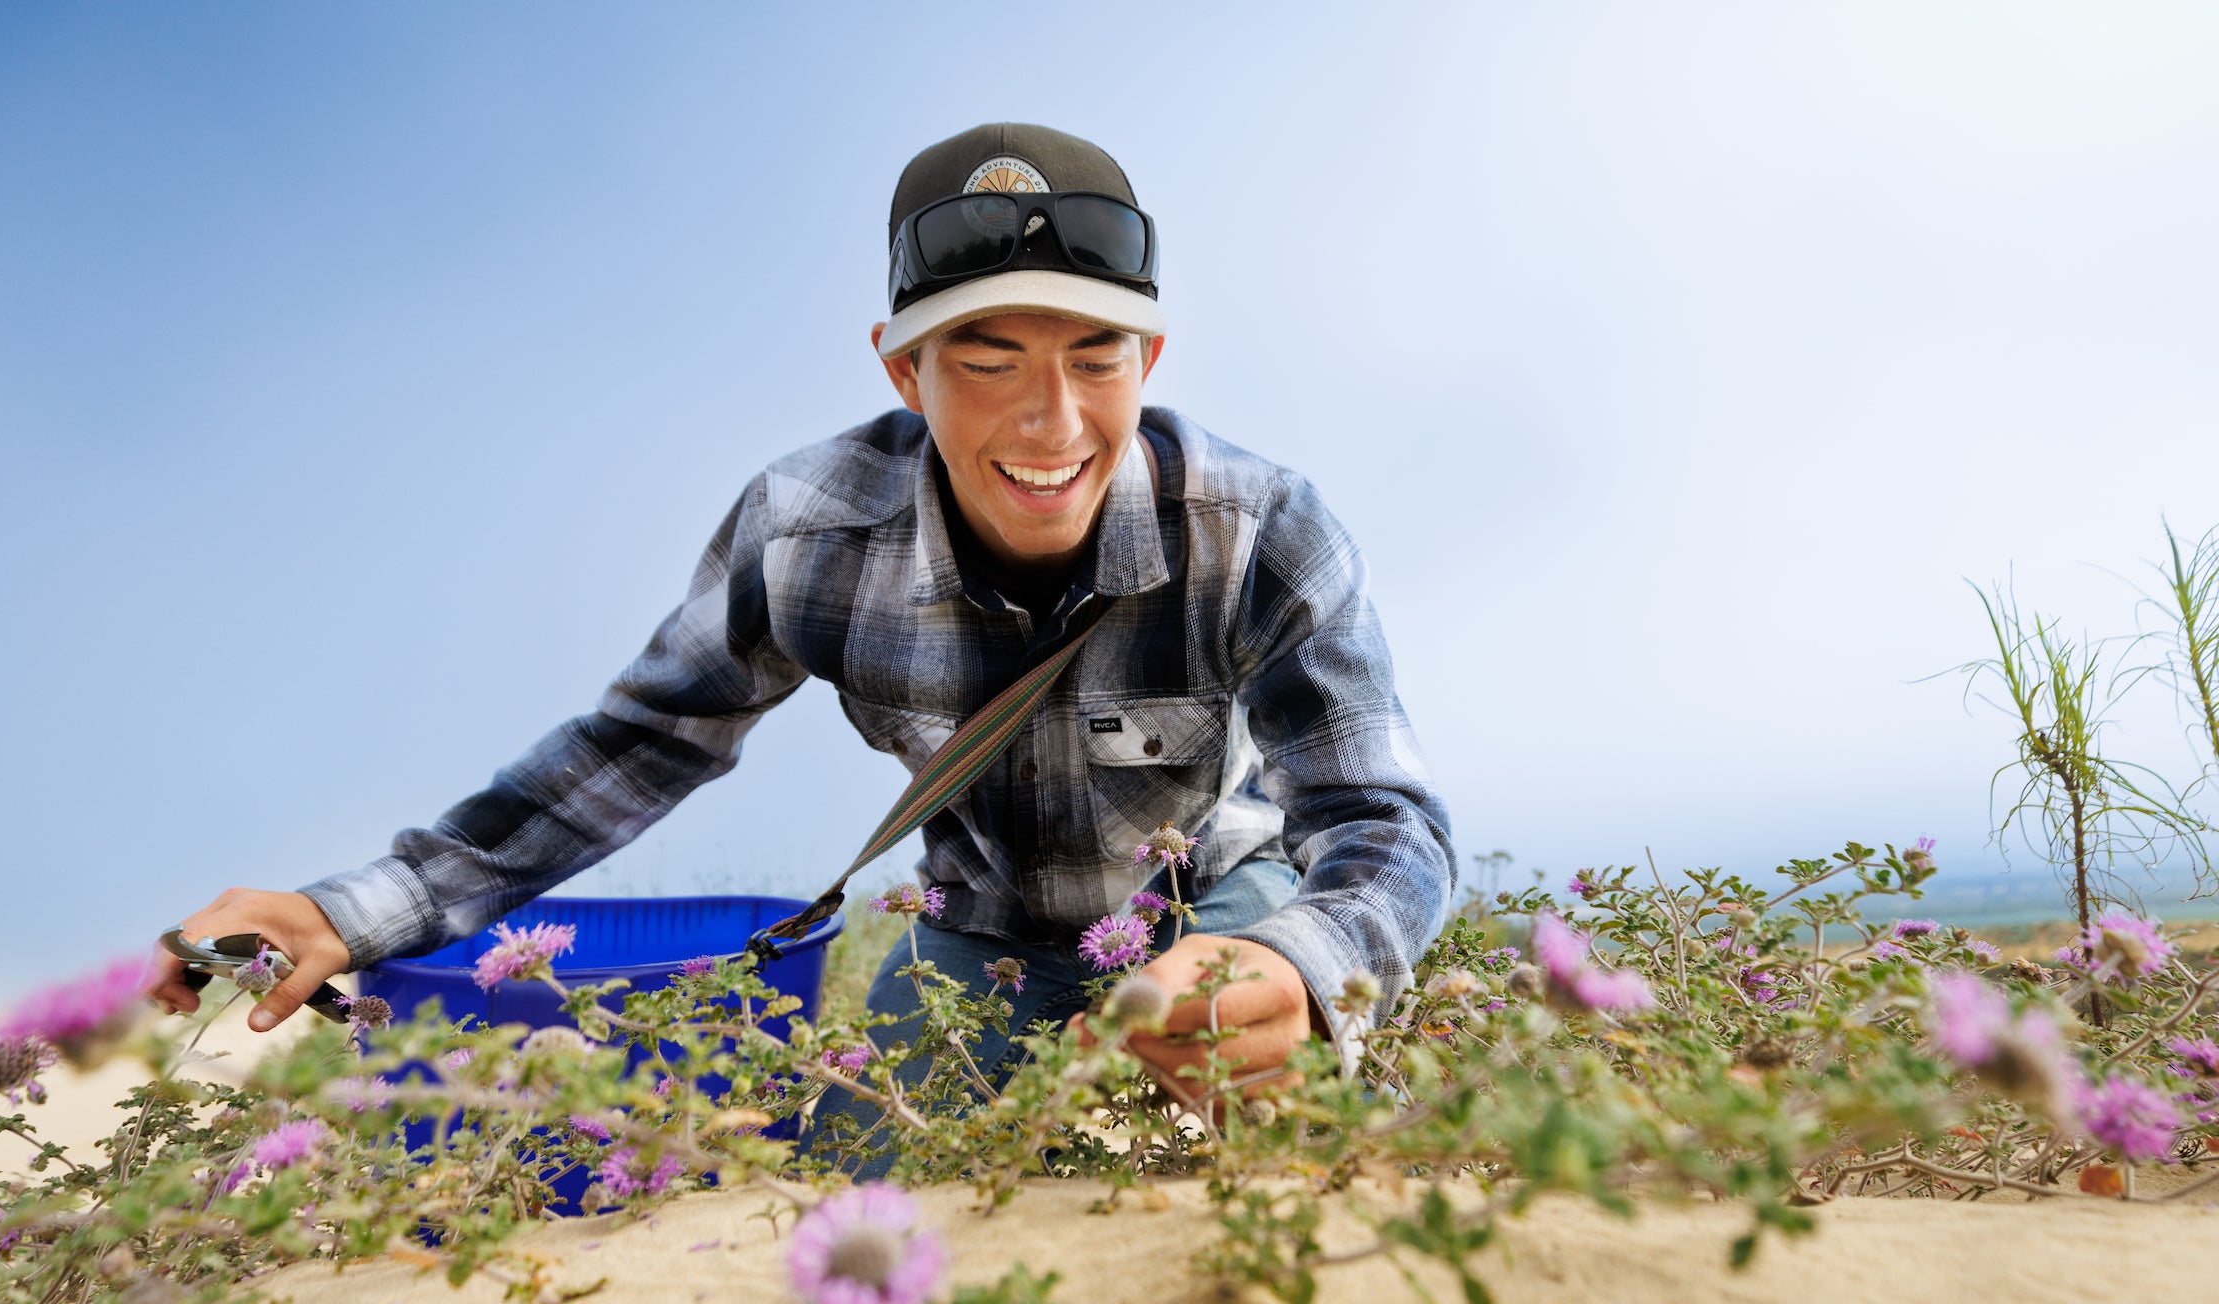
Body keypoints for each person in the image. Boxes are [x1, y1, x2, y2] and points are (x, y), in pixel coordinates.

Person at [147, 122, 1454, 1113]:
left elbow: (1382, 817)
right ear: (903, 367)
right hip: (974, 945)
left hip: (1216, 910)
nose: (1050, 419)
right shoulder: (810, 533)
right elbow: (633, 747)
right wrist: (353, 913)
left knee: (1267, 1154)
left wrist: (1299, 965)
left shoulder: (1262, 529)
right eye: (989, 357)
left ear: (1149, 362)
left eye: (1093, 356)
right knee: (843, 1195)